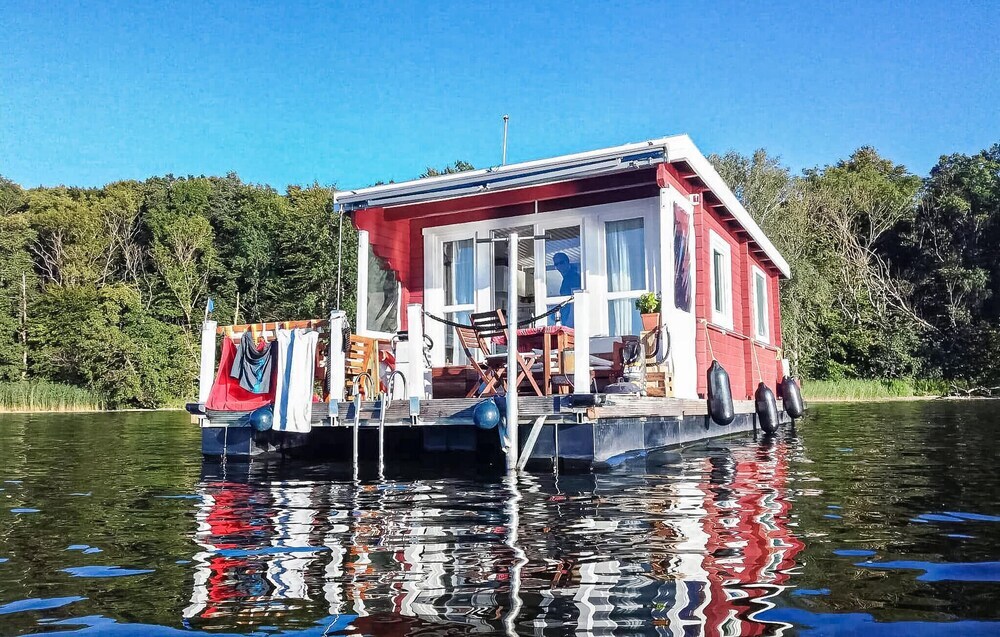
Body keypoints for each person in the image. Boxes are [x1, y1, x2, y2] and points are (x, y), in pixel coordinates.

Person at [552, 252, 581, 328]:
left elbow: (574, 300)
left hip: (572, 320)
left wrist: (569, 322)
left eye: (561, 262)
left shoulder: (573, 277)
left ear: (567, 262)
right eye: (556, 264)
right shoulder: (567, 278)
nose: (559, 266)